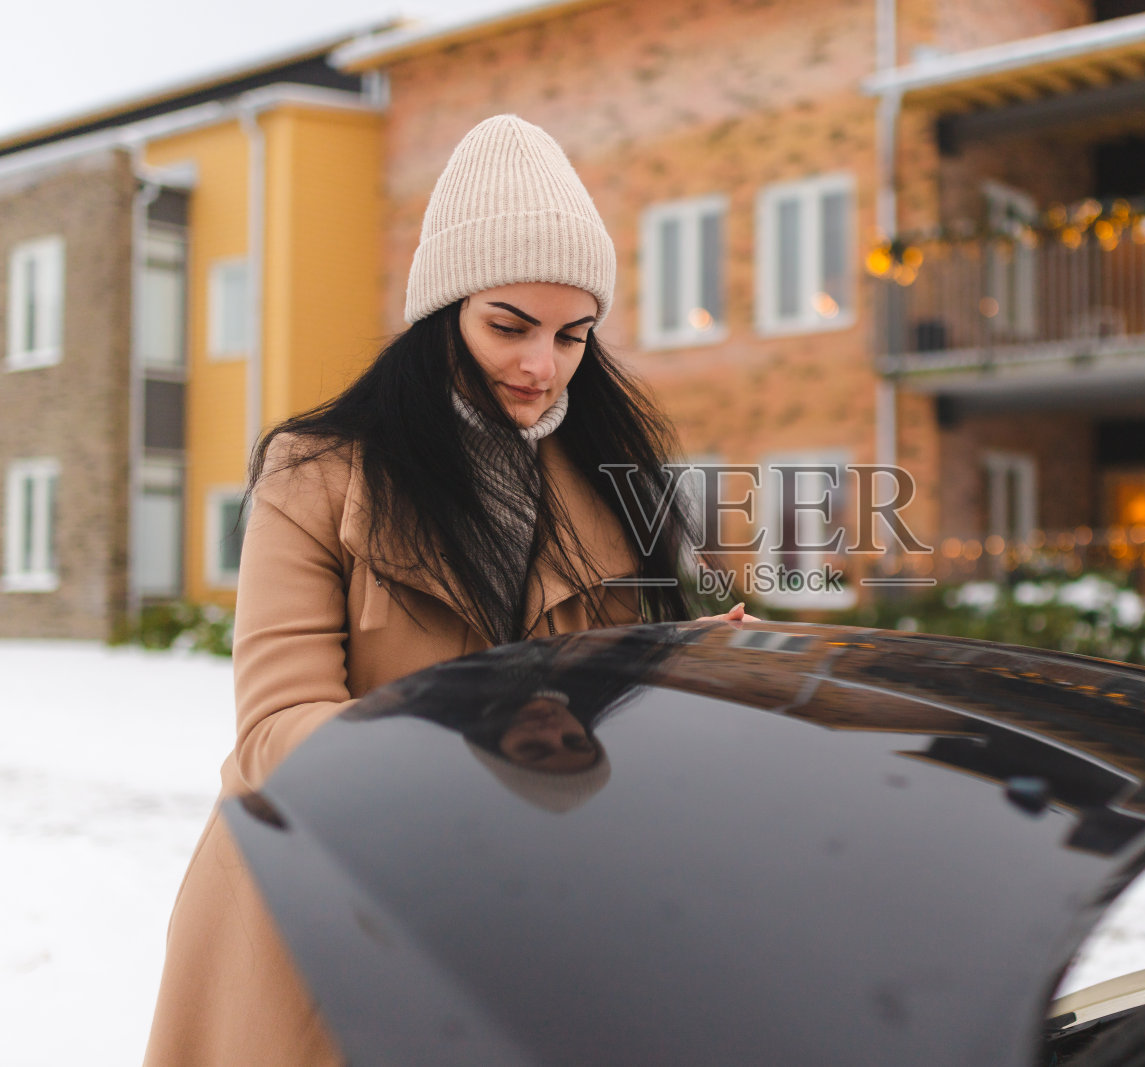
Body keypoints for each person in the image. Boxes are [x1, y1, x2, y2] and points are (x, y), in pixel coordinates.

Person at [144, 115, 750, 1066]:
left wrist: (682, 663)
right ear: (443, 313)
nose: (541, 364)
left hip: (518, 908)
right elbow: (274, 730)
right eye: (509, 325)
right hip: (319, 913)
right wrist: (457, 728)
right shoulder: (317, 475)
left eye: (572, 335)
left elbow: (603, 718)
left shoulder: (613, 481)